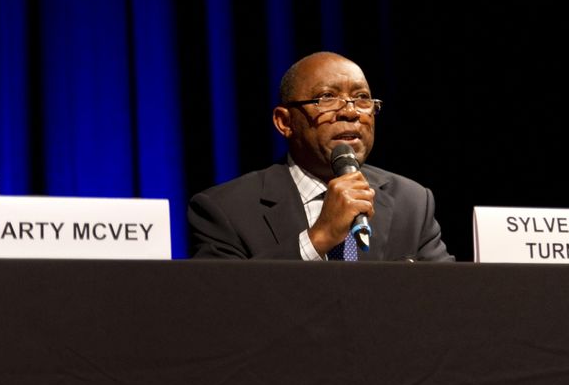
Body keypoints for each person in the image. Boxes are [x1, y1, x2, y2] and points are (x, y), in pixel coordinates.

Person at [188, 51, 454, 261]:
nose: (350, 112)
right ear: (285, 122)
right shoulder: (225, 210)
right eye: (327, 98)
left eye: (362, 98)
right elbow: (225, 302)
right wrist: (318, 238)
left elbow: (446, 296)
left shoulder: (412, 202)